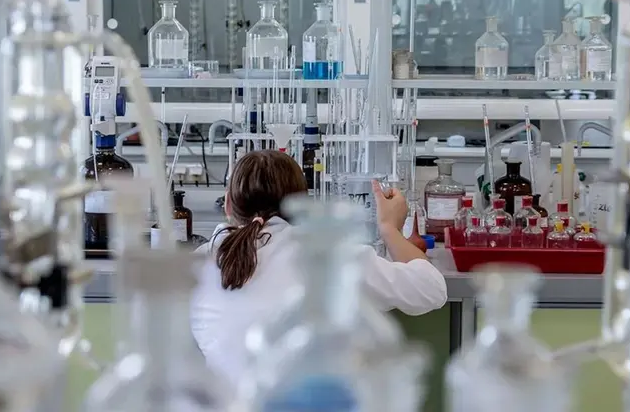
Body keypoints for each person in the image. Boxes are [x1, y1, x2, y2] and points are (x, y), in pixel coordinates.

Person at [190, 150, 448, 385]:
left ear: (227, 205)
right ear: (302, 206)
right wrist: (389, 228)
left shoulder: (198, 265)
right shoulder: (329, 258)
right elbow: (431, 289)